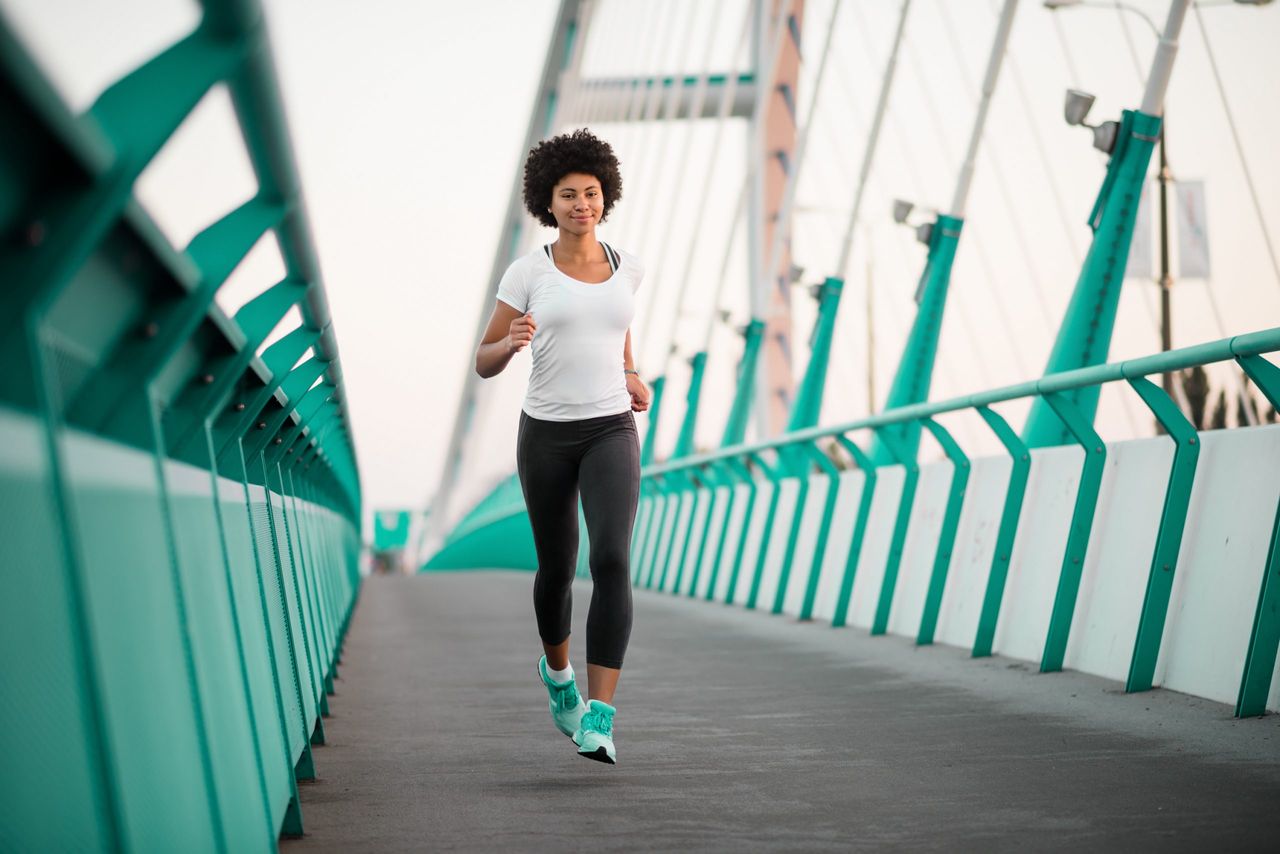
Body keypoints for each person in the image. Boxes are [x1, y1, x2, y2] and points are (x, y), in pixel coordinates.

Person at [474, 128, 650, 765]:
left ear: (607, 196)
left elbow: (618, 329)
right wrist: (511, 339)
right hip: (545, 434)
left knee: (612, 559)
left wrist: (631, 374)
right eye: (569, 194)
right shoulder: (527, 272)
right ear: (548, 203)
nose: (583, 203)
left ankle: (600, 715)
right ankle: (558, 678)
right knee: (557, 571)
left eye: (592, 193)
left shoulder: (627, 265)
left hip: (610, 428)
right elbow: (484, 362)